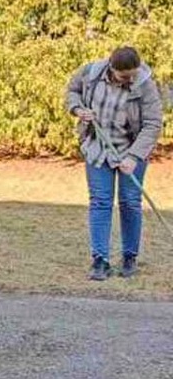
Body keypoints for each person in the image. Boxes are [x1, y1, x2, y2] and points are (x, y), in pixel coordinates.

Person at [65, 46, 164, 280]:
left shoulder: (145, 85)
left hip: (131, 150)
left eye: (133, 74)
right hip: (98, 148)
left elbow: (152, 124)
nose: (130, 80)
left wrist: (133, 157)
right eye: (124, 76)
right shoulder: (91, 73)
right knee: (100, 202)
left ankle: (129, 257)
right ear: (112, 68)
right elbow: (73, 90)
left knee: (130, 202)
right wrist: (78, 109)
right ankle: (100, 260)